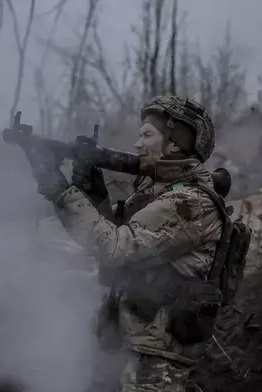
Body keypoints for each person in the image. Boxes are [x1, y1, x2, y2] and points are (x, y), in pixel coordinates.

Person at [27, 96, 229, 391]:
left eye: (147, 134)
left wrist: (61, 190)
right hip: (128, 345)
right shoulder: (159, 193)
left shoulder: (189, 202)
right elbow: (107, 242)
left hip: (155, 362)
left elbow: (116, 247)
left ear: (174, 143)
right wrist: (94, 197)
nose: (136, 144)